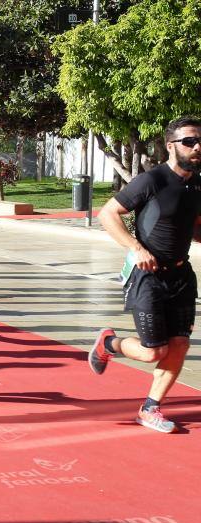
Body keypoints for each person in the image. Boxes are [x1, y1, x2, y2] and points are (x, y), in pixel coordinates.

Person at [90, 116, 201, 434]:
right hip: (147, 276)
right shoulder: (152, 180)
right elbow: (108, 213)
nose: (197, 147)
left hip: (181, 276)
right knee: (155, 351)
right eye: (189, 141)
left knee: (179, 345)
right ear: (171, 146)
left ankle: (151, 407)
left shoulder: (198, 185)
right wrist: (135, 248)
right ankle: (109, 344)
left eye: (200, 141)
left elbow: (193, 228)